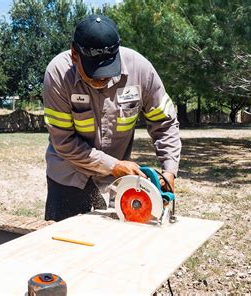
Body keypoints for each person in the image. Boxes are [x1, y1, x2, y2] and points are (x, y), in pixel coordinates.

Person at [42, 14, 181, 221]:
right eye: (94, 72)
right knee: (66, 245)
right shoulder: (58, 75)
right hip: (69, 176)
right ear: (74, 54)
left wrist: (169, 171)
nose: (102, 79)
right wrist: (113, 165)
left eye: (108, 71)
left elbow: (165, 123)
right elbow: (63, 141)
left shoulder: (140, 70)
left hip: (117, 182)